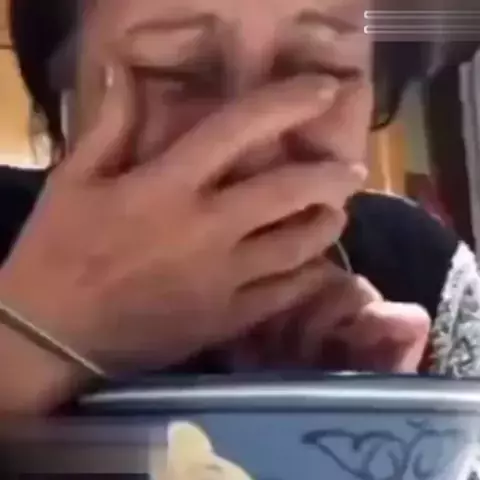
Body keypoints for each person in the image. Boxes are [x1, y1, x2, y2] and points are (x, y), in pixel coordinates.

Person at [0, 0, 478, 415]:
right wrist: (30, 342)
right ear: (62, 91)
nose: (254, 145)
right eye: (176, 69)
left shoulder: (423, 272)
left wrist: (394, 431)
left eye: (320, 67)